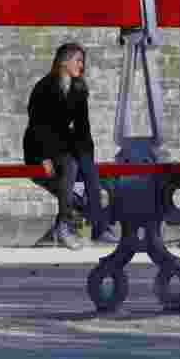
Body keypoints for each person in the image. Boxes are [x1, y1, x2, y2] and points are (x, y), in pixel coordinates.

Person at [23, 42, 119, 249]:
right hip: (39, 147)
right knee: (70, 166)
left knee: (91, 170)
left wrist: (88, 156)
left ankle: (100, 228)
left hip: (66, 144)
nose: (81, 66)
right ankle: (65, 225)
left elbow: (83, 126)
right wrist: (44, 158)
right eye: (78, 61)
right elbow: (37, 126)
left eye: (82, 62)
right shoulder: (43, 88)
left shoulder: (79, 87)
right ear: (64, 62)